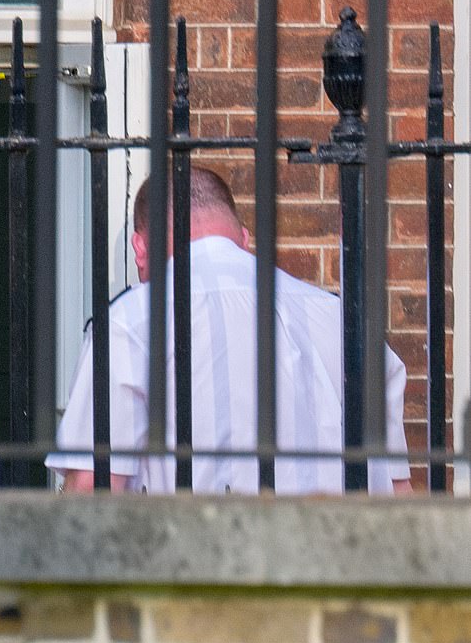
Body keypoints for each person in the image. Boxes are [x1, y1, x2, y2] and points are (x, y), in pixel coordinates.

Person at [46, 167, 412, 495]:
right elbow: (399, 492)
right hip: (338, 559)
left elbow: (93, 491)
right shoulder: (341, 321)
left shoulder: (130, 322)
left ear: (139, 248)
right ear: (244, 238)